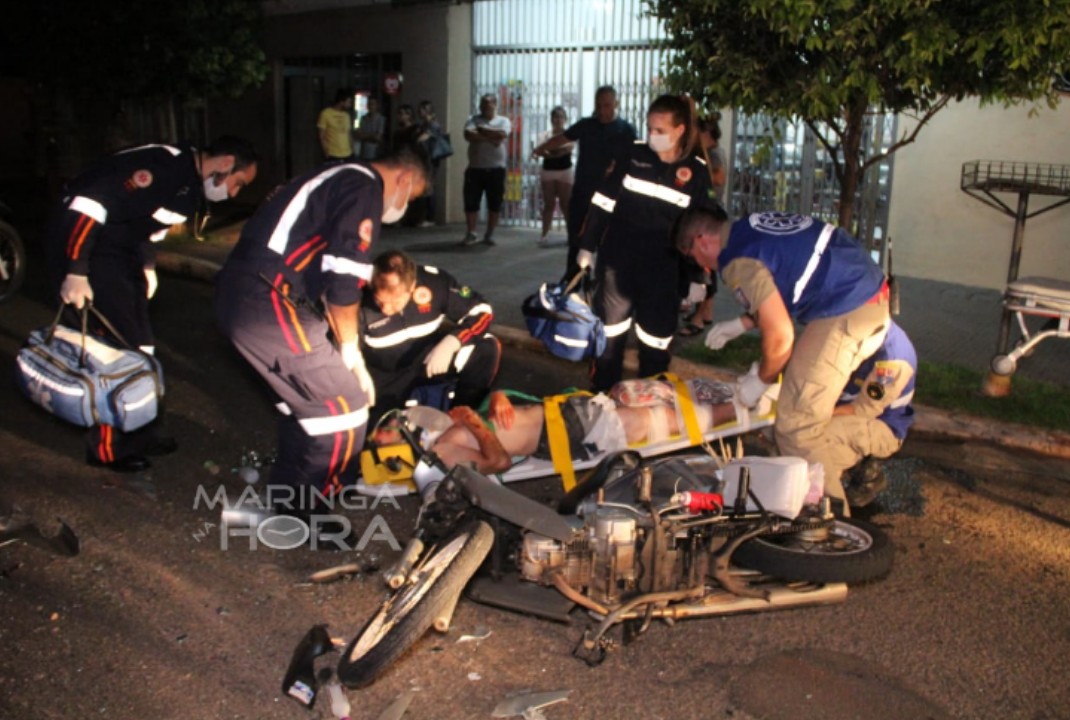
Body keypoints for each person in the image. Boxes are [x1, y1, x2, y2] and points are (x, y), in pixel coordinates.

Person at [214, 144, 432, 512]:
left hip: (249, 293)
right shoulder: (364, 186)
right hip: (269, 298)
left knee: (305, 409)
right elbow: (344, 281)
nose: (403, 206)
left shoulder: (336, 174)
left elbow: (329, 281)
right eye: (411, 197)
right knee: (346, 409)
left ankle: (285, 505)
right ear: (404, 177)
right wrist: (350, 349)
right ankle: (311, 511)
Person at [46, 136, 259, 472]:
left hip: (122, 256)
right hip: (91, 252)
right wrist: (76, 270)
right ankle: (107, 449)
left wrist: (147, 267)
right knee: (112, 354)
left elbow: (150, 229)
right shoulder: (162, 167)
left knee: (142, 346)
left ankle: (138, 430)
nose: (233, 193)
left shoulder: (189, 185)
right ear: (225, 163)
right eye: (238, 183)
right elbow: (88, 205)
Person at [674, 206, 891, 511]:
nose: (701, 267)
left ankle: (832, 523)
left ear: (701, 240)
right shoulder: (749, 229)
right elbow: (790, 278)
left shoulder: (737, 261)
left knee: (796, 426)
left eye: (691, 256)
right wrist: (744, 323)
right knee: (799, 410)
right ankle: (811, 490)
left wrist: (760, 380)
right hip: (861, 292)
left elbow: (780, 337)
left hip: (848, 308)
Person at [577, 94, 719, 392]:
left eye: (660, 130)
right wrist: (587, 245)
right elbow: (603, 201)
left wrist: (699, 277)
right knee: (608, 341)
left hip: (663, 272)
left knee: (655, 345)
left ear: (680, 130)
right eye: (650, 128)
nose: (652, 135)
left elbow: (702, 229)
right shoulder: (633, 155)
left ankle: (647, 409)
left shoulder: (695, 172)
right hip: (617, 264)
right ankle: (602, 401)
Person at [408, 376, 738, 475]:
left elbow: (502, 409)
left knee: (636, 393)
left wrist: (497, 396)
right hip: (566, 434)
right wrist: (474, 422)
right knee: (653, 420)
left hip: (565, 411)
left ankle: (732, 390)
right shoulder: (442, 451)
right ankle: (741, 406)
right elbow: (498, 462)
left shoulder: (442, 430)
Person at [360, 249, 501, 428]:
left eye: (395, 301)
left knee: (486, 347)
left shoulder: (434, 282)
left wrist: (452, 342)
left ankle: (462, 417)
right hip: (383, 374)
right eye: (380, 301)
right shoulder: (357, 296)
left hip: (428, 360)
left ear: (412, 286)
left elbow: (482, 312)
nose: (386, 309)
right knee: (377, 431)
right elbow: (342, 351)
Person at [532, 86, 637, 279]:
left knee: (607, 243)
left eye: (607, 105)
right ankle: (573, 280)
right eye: (599, 105)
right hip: (582, 193)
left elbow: (635, 159)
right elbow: (562, 138)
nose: (602, 111)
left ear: (616, 104)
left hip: (610, 197)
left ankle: (604, 283)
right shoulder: (586, 125)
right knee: (576, 241)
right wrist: (540, 148)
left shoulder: (626, 130)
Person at [832, 320, 917, 508]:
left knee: (819, 441)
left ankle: (832, 502)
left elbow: (862, 410)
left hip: (882, 425)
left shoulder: (893, 359)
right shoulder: (850, 329)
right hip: (845, 412)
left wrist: (814, 414)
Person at [680, 115, 728, 337]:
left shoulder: (713, 154)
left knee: (703, 267)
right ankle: (705, 312)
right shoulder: (707, 153)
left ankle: (699, 317)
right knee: (705, 266)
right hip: (704, 213)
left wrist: (700, 163)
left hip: (708, 215)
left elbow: (718, 179)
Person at [461, 93, 512, 246]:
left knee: (494, 203)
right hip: (475, 168)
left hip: (496, 169)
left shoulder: (503, 121)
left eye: (488, 104)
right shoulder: (472, 120)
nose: (484, 107)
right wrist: (492, 137)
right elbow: (469, 135)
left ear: (495, 105)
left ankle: (490, 233)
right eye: (482, 104)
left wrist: (482, 131)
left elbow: (502, 134)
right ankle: (471, 232)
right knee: (471, 202)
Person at [533, 106, 574, 248]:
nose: (558, 119)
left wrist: (549, 149)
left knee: (566, 205)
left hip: (565, 171)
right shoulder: (544, 135)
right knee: (548, 205)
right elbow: (540, 151)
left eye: (561, 117)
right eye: (555, 117)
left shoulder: (570, 135)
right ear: (551, 119)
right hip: (548, 171)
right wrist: (551, 150)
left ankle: (571, 236)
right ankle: (544, 235)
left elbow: (566, 149)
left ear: (565, 119)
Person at [414, 100, 445, 226]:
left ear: (427, 111)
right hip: (425, 158)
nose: (419, 112)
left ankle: (430, 218)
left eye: (421, 110)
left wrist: (417, 138)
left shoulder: (432, 125)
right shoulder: (425, 124)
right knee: (426, 187)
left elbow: (423, 138)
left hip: (431, 159)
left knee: (429, 187)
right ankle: (426, 216)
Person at [318, 88, 356, 162]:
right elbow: (321, 135)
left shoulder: (346, 115)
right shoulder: (326, 113)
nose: (350, 105)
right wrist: (326, 152)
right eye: (348, 102)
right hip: (333, 154)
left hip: (348, 154)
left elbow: (349, 134)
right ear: (342, 102)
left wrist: (353, 150)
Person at [355, 97, 385, 162]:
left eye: (373, 104)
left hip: (375, 153)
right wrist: (372, 135)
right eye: (369, 104)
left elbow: (378, 137)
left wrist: (365, 135)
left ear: (377, 106)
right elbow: (359, 136)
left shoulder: (381, 119)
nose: (371, 106)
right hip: (363, 153)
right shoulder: (363, 118)